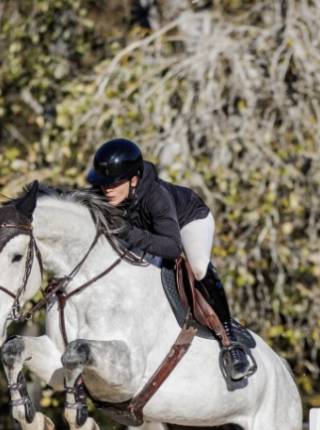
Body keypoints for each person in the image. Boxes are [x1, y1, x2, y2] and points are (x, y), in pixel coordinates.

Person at [87, 138, 254, 382]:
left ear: (134, 179)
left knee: (197, 267)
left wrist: (127, 232)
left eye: (114, 183)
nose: (107, 190)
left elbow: (172, 247)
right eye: (103, 184)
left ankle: (230, 341)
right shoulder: (105, 192)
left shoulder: (156, 196)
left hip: (189, 221)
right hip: (149, 232)